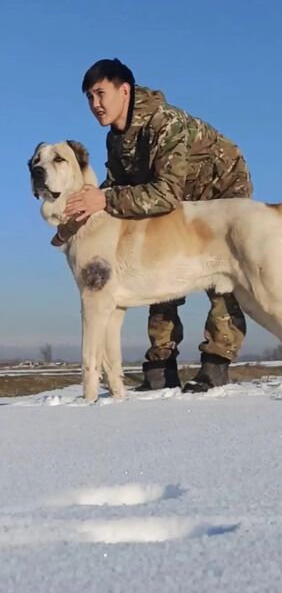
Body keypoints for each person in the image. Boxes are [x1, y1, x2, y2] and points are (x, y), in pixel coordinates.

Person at [62, 58, 253, 393]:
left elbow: (165, 194)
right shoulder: (116, 139)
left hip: (219, 192)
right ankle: (161, 365)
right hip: (169, 198)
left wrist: (103, 200)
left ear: (124, 90)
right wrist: (85, 209)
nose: (95, 104)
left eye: (100, 94)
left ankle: (216, 364)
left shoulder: (165, 123)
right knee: (156, 267)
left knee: (223, 278)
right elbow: (119, 187)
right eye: (89, 97)